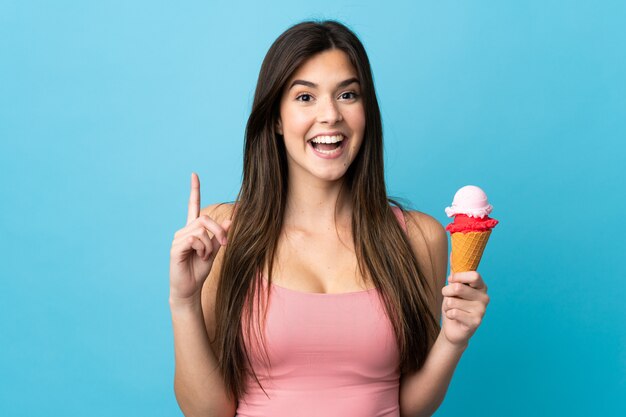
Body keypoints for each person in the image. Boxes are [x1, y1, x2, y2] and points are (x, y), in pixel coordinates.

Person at [169, 20, 490, 417]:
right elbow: (207, 412)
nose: (330, 115)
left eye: (348, 94)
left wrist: (453, 341)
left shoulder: (418, 237)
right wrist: (184, 302)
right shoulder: (224, 233)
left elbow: (410, 406)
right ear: (275, 119)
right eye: (305, 97)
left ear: (366, 112)